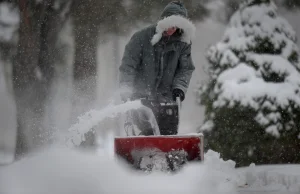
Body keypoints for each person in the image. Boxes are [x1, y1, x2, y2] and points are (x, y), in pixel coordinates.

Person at [119, 1, 195, 135]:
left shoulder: (183, 43)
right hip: (141, 98)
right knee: (148, 133)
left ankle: (168, 155)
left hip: (167, 100)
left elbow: (185, 68)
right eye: (169, 24)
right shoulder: (140, 38)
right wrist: (126, 90)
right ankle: (146, 154)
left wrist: (179, 88)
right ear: (163, 21)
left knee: (168, 135)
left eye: (176, 26)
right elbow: (128, 67)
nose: (172, 29)